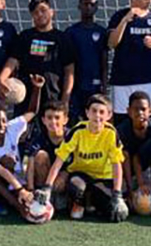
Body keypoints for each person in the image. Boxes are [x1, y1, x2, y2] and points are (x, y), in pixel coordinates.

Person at [44, 93, 128, 221]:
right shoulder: (77, 131)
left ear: (109, 115)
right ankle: (79, 203)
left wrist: (117, 195)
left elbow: (117, 165)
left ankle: (92, 202)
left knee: (115, 215)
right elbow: (59, 161)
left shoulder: (111, 133)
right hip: (80, 174)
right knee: (76, 188)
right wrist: (47, 188)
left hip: (103, 177)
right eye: (94, 111)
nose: (97, 116)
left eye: (102, 112)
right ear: (87, 113)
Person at [0, 0, 76, 112]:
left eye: (43, 10)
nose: (40, 14)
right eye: (35, 12)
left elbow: (69, 71)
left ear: (52, 12)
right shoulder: (25, 36)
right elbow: (13, 60)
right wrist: (1, 78)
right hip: (27, 96)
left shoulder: (62, 38)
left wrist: (65, 99)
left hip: (52, 96)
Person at [0, 99, 37, 217]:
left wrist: (37, 87)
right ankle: (9, 204)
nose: (1, 125)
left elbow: (32, 111)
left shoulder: (11, 128)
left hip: (19, 179)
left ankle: (27, 197)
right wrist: (1, 162)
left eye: (3, 121)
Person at [64, 0, 108, 120]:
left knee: (95, 120)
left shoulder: (101, 32)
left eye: (92, 4)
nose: (89, 7)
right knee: (75, 121)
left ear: (97, 7)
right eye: (86, 4)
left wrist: (104, 87)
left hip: (95, 86)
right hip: (76, 86)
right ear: (79, 6)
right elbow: (67, 63)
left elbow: (104, 62)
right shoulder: (71, 32)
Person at [23, 100, 71, 206]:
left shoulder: (72, 136)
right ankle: (42, 196)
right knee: (40, 156)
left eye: (57, 118)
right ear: (43, 120)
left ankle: (64, 198)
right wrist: (30, 190)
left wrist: (65, 175)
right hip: (46, 176)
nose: (53, 122)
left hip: (65, 175)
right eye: (49, 118)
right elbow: (30, 164)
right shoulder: (38, 137)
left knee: (64, 180)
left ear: (65, 120)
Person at [115, 90, 151, 193]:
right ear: (128, 111)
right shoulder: (121, 130)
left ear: (150, 110)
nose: (140, 113)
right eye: (136, 109)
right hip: (126, 171)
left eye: (143, 109)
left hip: (147, 169)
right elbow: (125, 159)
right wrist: (130, 188)